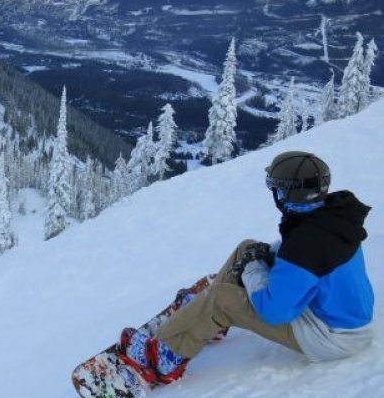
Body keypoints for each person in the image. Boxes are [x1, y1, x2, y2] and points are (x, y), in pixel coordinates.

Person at [121, 151, 375, 383]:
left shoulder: (306, 245)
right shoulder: (332, 215)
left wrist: (253, 269)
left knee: (222, 298)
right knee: (248, 247)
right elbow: (307, 264)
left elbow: (274, 311)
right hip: (338, 315)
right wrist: (260, 256)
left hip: (331, 338)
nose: (276, 194)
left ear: (290, 192)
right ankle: (209, 320)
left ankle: (164, 357)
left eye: (278, 188)